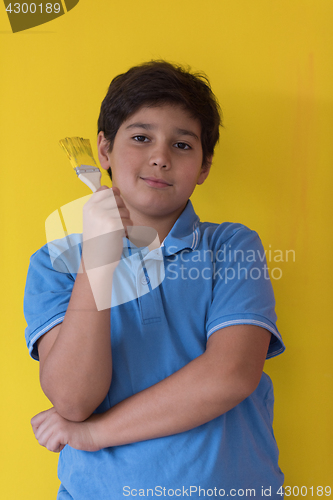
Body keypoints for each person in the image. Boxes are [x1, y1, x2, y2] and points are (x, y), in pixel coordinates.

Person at [24, 61, 285, 499]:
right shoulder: (55, 263)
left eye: (182, 144)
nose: (160, 156)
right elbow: (72, 401)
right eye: (141, 137)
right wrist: (98, 259)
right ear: (104, 151)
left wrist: (95, 433)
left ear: (203, 167)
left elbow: (231, 375)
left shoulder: (232, 247)